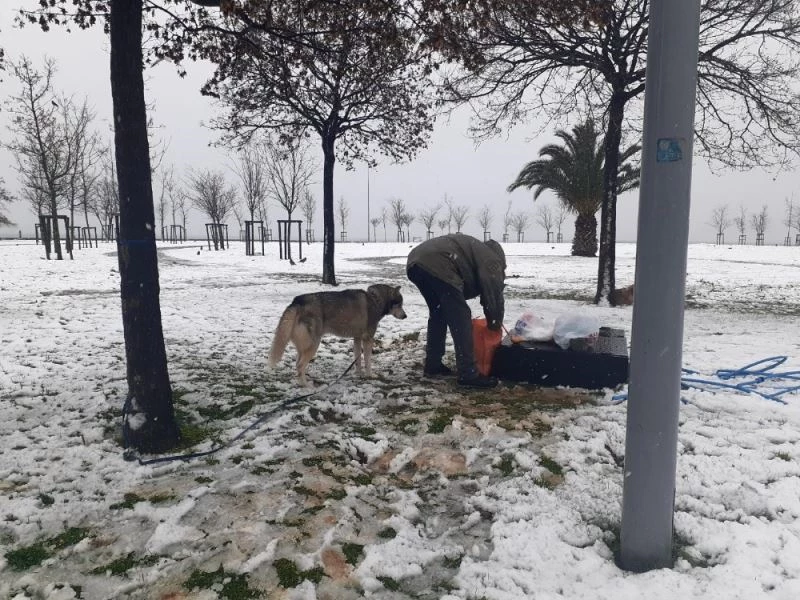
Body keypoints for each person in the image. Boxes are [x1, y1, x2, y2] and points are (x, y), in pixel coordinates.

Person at [406, 233, 506, 388]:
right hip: (439, 263)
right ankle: (468, 373)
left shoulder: (476, 250)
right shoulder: (491, 259)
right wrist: (495, 323)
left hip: (416, 261)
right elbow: (493, 296)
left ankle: (433, 365)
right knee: (461, 316)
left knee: (439, 314)